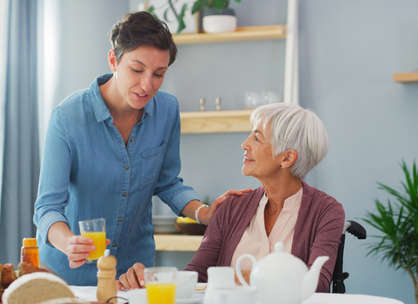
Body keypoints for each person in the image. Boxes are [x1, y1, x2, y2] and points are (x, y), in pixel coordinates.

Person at [33, 11, 246, 286]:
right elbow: (47, 207)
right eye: (137, 70)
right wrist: (68, 242)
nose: (147, 85)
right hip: (72, 275)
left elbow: (168, 183)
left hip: (134, 273)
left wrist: (203, 213)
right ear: (113, 60)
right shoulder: (67, 118)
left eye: (159, 74)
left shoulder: (167, 110)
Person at [119, 103, 345, 292]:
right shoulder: (231, 207)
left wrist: (235, 278)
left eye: (257, 138)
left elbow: (318, 286)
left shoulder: (327, 212)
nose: (244, 144)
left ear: (287, 158)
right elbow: (196, 275)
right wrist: (150, 280)